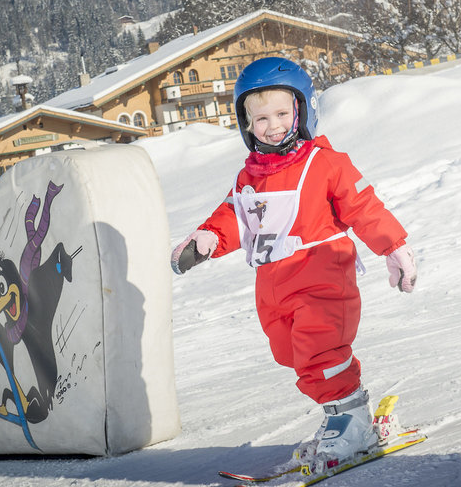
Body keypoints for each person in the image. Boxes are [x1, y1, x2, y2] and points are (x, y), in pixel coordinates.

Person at [170, 57, 417, 465]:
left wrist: (394, 246)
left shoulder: (325, 163)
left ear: (302, 110)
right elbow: (235, 215)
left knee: (320, 350)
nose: (273, 126)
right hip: (274, 286)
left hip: (322, 275)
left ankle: (351, 420)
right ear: (246, 124)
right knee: (292, 354)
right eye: (261, 118)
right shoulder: (250, 177)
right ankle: (342, 413)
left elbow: (364, 207)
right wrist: (208, 238)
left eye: (282, 114)